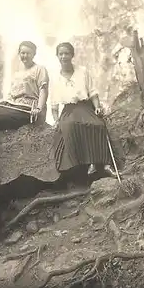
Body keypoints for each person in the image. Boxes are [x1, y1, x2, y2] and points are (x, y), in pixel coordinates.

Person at [51, 42, 115, 185]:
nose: (63, 56)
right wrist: (56, 120)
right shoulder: (55, 78)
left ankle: (103, 164)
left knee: (97, 125)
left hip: (85, 107)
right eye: (60, 53)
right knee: (69, 127)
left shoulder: (83, 71)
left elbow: (92, 92)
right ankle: (82, 167)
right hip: (68, 110)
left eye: (67, 53)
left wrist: (97, 107)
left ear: (72, 55)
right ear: (57, 56)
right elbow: (54, 105)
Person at [0, 41, 49, 135]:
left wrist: (39, 109)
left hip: (27, 109)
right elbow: (11, 94)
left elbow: (43, 90)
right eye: (23, 53)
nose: (25, 55)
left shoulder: (39, 69)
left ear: (34, 54)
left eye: (28, 53)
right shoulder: (17, 72)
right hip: (12, 105)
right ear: (19, 53)